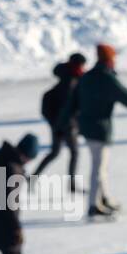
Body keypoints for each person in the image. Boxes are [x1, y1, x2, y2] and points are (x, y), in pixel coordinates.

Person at [58, 43, 127, 220]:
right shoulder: (106, 78)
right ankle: (93, 205)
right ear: (110, 59)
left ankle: (104, 199)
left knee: (100, 167)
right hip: (100, 129)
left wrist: (61, 124)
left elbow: (71, 103)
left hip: (87, 129)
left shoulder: (87, 76)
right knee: (98, 168)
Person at [34, 53, 86, 189]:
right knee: (74, 152)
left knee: (55, 152)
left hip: (57, 123)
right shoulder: (70, 82)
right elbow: (69, 107)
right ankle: (72, 184)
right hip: (66, 124)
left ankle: (33, 177)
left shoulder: (68, 76)